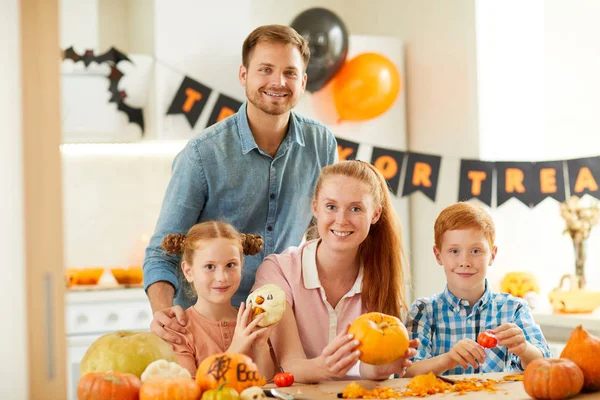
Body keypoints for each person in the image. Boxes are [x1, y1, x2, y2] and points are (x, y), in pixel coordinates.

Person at [143, 24, 338, 344]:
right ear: (244, 75)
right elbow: (161, 253)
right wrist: (162, 313)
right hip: (205, 331)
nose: (278, 81)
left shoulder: (321, 143)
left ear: (303, 82)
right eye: (266, 70)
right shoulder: (202, 154)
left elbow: (322, 236)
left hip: (282, 323)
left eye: (290, 72)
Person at [252, 160, 419, 383]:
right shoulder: (278, 271)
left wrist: (381, 368)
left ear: (375, 214)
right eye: (331, 207)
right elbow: (290, 366)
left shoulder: (382, 274)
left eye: (356, 208)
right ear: (315, 208)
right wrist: (325, 366)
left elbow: (367, 371)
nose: (341, 220)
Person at [405, 202, 551, 377]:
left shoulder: (514, 309)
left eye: (476, 251)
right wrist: (449, 358)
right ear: (438, 255)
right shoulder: (423, 311)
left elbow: (544, 364)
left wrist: (525, 348)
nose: (465, 261)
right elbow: (406, 372)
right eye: (454, 251)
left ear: (492, 255)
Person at [159, 221, 276, 379]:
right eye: (209, 267)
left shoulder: (251, 321)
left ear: (241, 265)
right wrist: (235, 350)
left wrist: (261, 345)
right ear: (188, 271)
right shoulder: (178, 331)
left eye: (230, 265)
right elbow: (190, 389)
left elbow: (266, 383)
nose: (222, 277)